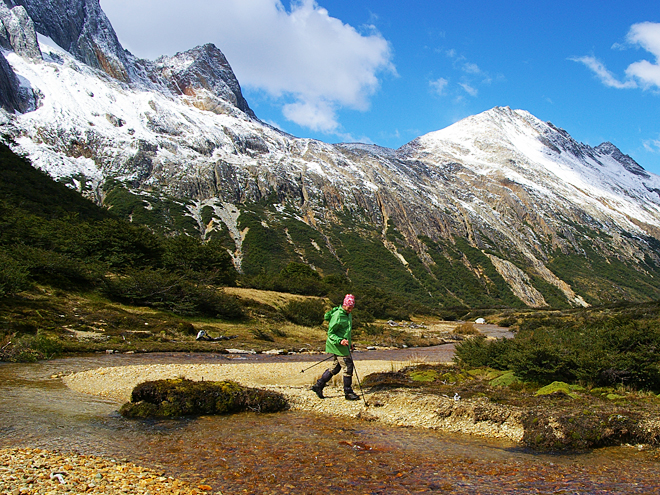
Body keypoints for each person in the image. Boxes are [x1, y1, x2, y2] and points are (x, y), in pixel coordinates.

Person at [311, 294, 360, 401]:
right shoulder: (338, 315)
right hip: (338, 345)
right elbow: (331, 333)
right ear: (344, 305)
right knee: (348, 366)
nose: (350, 309)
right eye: (349, 307)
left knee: (336, 367)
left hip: (343, 345)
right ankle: (348, 392)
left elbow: (345, 331)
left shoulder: (348, 314)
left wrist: (349, 342)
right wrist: (340, 340)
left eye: (352, 307)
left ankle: (318, 385)